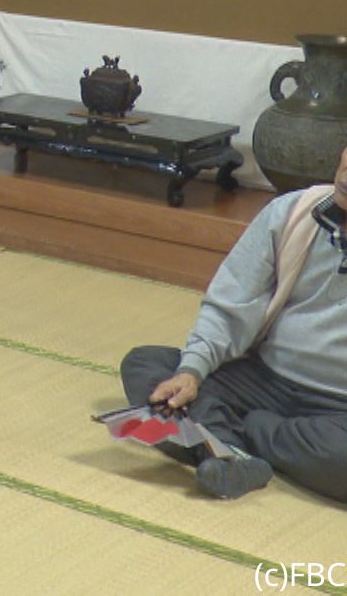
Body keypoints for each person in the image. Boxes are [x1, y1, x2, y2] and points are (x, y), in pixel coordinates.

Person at [119, 147, 347, 502]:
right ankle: (233, 450)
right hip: (262, 379)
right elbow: (232, 305)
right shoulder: (292, 213)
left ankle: (225, 440)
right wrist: (192, 371)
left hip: (338, 408)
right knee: (146, 366)